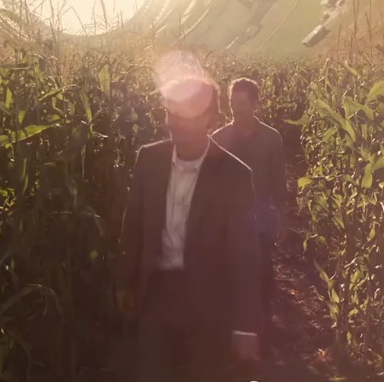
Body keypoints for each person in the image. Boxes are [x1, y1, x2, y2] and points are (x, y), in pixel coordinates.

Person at [115, 76, 262, 382]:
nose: (173, 122)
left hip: (209, 301)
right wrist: (126, 281)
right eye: (170, 113)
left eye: (184, 114)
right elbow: (134, 224)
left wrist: (245, 327)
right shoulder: (149, 160)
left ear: (209, 118)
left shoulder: (234, 175)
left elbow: (245, 255)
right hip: (157, 293)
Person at [212, 78, 289, 349]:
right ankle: (235, 324)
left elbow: (279, 179)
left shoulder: (271, 138)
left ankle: (264, 322)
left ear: (255, 104)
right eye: (233, 103)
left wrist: (283, 216)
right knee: (231, 268)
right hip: (230, 215)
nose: (236, 109)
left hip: (261, 213)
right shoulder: (219, 138)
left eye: (242, 103)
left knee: (262, 266)